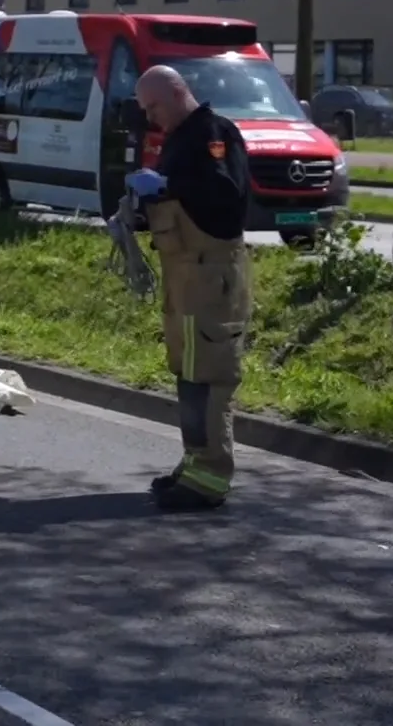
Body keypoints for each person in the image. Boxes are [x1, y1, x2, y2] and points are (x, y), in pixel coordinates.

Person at [128, 65, 254, 513]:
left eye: (153, 106)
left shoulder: (214, 134)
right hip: (183, 274)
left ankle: (210, 478)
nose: (150, 117)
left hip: (211, 275)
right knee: (187, 374)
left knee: (210, 377)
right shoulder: (179, 139)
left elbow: (225, 193)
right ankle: (195, 462)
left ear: (177, 92)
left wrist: (166, 184)